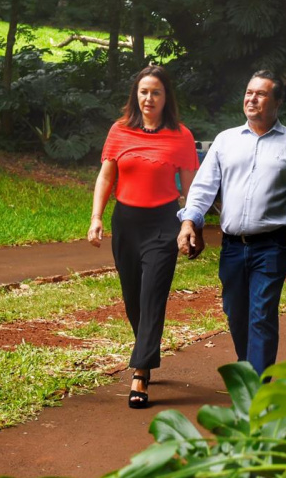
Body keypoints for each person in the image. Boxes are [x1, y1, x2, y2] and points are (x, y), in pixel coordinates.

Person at [177, 70, 286, 375]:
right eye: (249, 92)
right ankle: (250, 370)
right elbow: (204, 187)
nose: (252, 99)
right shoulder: (226, 140)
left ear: (277, 102)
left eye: (260, 94)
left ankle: (256, 388)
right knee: (236, 313)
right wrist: (189, 222)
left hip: (272, 245)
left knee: (261, 314)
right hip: (233, 246)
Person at [88, 66, 199, 409]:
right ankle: (147, 349)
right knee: (133, 297)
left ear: (167, 98)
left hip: (163, 222)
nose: (149, 98)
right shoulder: (119, 131)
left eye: (156, 92)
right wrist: (96, 218)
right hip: (127, 222)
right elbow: (107, 177)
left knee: (153, 294)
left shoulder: (181, 136)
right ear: (135, 96)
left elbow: (192, 186)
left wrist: (189, 223)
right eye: (143, 92)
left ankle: (140, 373)